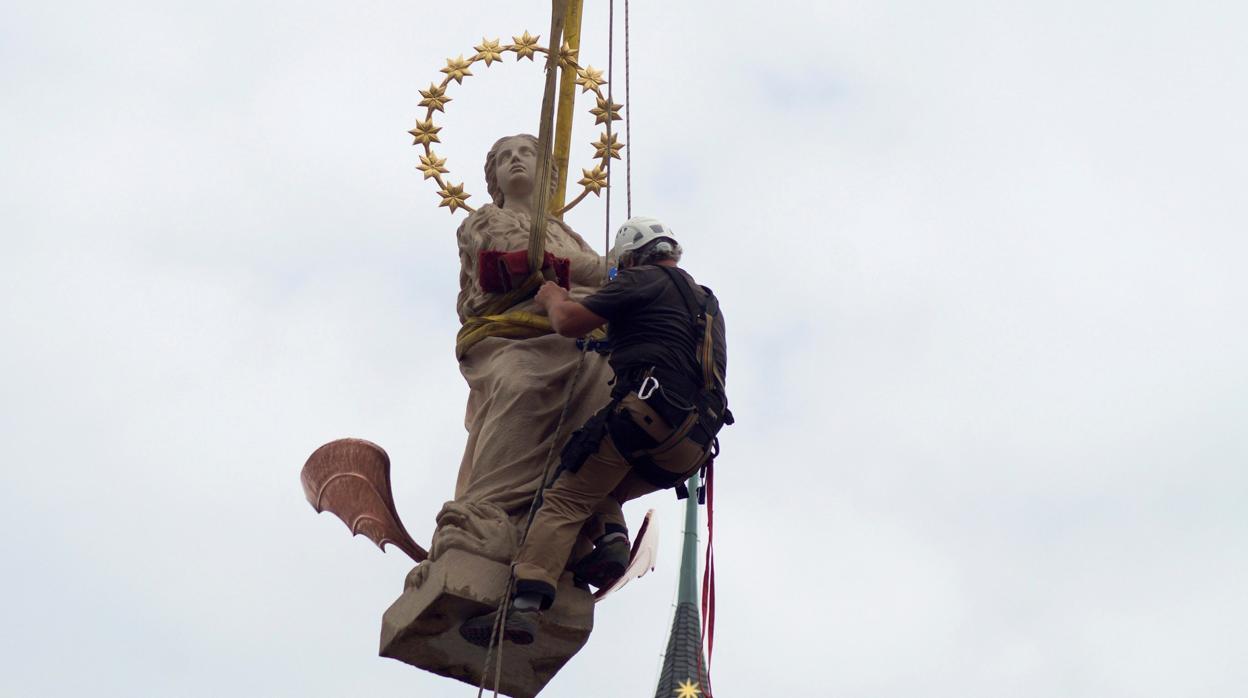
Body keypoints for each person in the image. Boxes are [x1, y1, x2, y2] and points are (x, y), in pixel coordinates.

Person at [461, 216, 731, 646]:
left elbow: (568, 322)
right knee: (597, 487)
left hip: (644, 417)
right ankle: (610, 541)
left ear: (633, 258)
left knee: (564, 498)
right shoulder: (705, 303)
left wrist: (552, 296)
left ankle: (524, 607)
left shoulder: (642, 279)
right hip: (690, 447)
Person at [449, 134, 613, 520]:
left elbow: (586, 274)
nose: (515, 160)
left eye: (525, 153)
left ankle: (590, 512)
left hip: (572, 334)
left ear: (547, 173)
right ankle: (486, 507)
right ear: (494, 177)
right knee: (521, 384)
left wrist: (605, 275)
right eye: (505, 157)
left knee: (606, 388)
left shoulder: (569, 234)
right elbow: (527, 259)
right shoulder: (486, 220)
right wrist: (605, 268)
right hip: (509, 336)